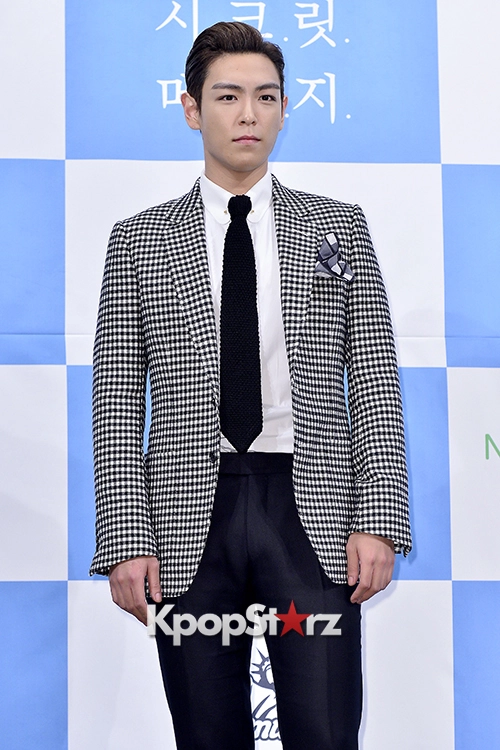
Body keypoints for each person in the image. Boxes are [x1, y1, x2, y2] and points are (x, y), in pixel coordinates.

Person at [90, 20, 411, 750]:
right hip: (183, 520)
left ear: (285, 109)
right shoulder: (137, 239)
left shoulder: (338, 228)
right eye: (228, 96)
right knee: (206, 735)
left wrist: (379, 518)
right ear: (192, 108)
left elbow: (373, 380)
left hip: (313, 509)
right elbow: (117, 400)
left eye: (266, 97)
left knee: (326, 731)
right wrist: (126, 538)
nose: (249, 114)